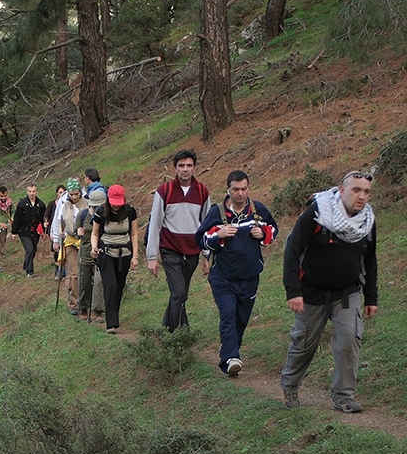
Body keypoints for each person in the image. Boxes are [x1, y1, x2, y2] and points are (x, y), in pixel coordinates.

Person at [280, 171, 378, 413]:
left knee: (349, 340)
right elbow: (292, 251)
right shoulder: (317, 214)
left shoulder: (367, 221)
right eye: (356, 190)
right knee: (304, 344)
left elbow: (370, 260)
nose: (362, 196)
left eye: (366, 192)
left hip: (346, 293)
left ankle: (343, 397)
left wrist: (371, 297)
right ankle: (290, 386)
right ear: (342, 190)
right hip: (311, 293)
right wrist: (293, 291)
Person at [195, 170, 278, 377]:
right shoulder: (217, 213)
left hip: (250, 277)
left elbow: (273, 230)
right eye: (236, 189)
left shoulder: (258, 210)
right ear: (228, 190)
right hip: (222, 277)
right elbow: (200, 238)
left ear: (248, 189)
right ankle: (230, 358)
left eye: (244, 189)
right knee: (228, 315)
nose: (240, 193)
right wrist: (219, 235)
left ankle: (229, 352)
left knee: (241, 318)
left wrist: (263, 234)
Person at [145, 149, 211, 332]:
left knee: (180, 294)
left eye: (189, 165)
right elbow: (155, 224)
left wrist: (208, 255)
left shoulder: (203, 192)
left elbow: (207, 225)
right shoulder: (164, 191)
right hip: (170, 249)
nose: (185, 169)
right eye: (181, 166)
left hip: (192, 251)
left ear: (194, 168)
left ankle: (166, 325)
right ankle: (178, 332)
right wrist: (151, 257)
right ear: (174, 168)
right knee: (179, 292)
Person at [90, 184, 139, 334]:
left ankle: (114, 315)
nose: (115, 207)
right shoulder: (100, 212)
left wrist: (135, 256)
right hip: (106, 252)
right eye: (113, 203)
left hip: (124, 253)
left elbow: (134, 234)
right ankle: (111, 323)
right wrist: (94, 247)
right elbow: (95, 233)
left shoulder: (130, 212)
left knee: (119, 286)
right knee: (110, 285)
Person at [54, 178, 87, 315]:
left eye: (76, 194)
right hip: (69, 242)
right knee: (74, 274)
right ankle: (74, 304)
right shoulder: (63, 206)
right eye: (71, 194)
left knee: (85, 273)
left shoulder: (87, 204)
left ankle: (85, 302)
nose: (74, 197)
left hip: (85, 242)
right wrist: (57, 237)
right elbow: (58, 222)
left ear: (80, 192)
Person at [76, 188, 106, 323]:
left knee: (99, 282)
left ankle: (98, 311)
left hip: (101, 253)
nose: (97, 208)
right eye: (95, 206)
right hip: (86, 253)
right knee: (85, 282)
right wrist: (79, 232)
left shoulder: (106, 216)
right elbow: (74, 231)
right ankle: (83, 308)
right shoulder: (82, 215)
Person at [11, 184, 46, 277]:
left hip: (35, 231)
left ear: (36, 192)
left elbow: (44, 219)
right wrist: (14, 232)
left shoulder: (40, 204)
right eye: (30, 191)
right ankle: (30, 272)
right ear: (27, 192)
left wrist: (45, 231)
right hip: (24, 231)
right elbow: (17, 218)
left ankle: (26, 265)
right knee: (29, 250)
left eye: (33, 191)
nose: (32, 193)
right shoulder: (22, 203)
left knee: (33, 250)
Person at [45, 184, 67, 280]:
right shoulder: (53, 204)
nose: (61, 194)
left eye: (63, 192)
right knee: (57, 251)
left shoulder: (66, 202)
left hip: (65, 231)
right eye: (60, 192)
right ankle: (58, 271)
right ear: (57, 193)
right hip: (55, 230)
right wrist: (46, 223)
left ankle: (63, 271)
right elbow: (49, 216)